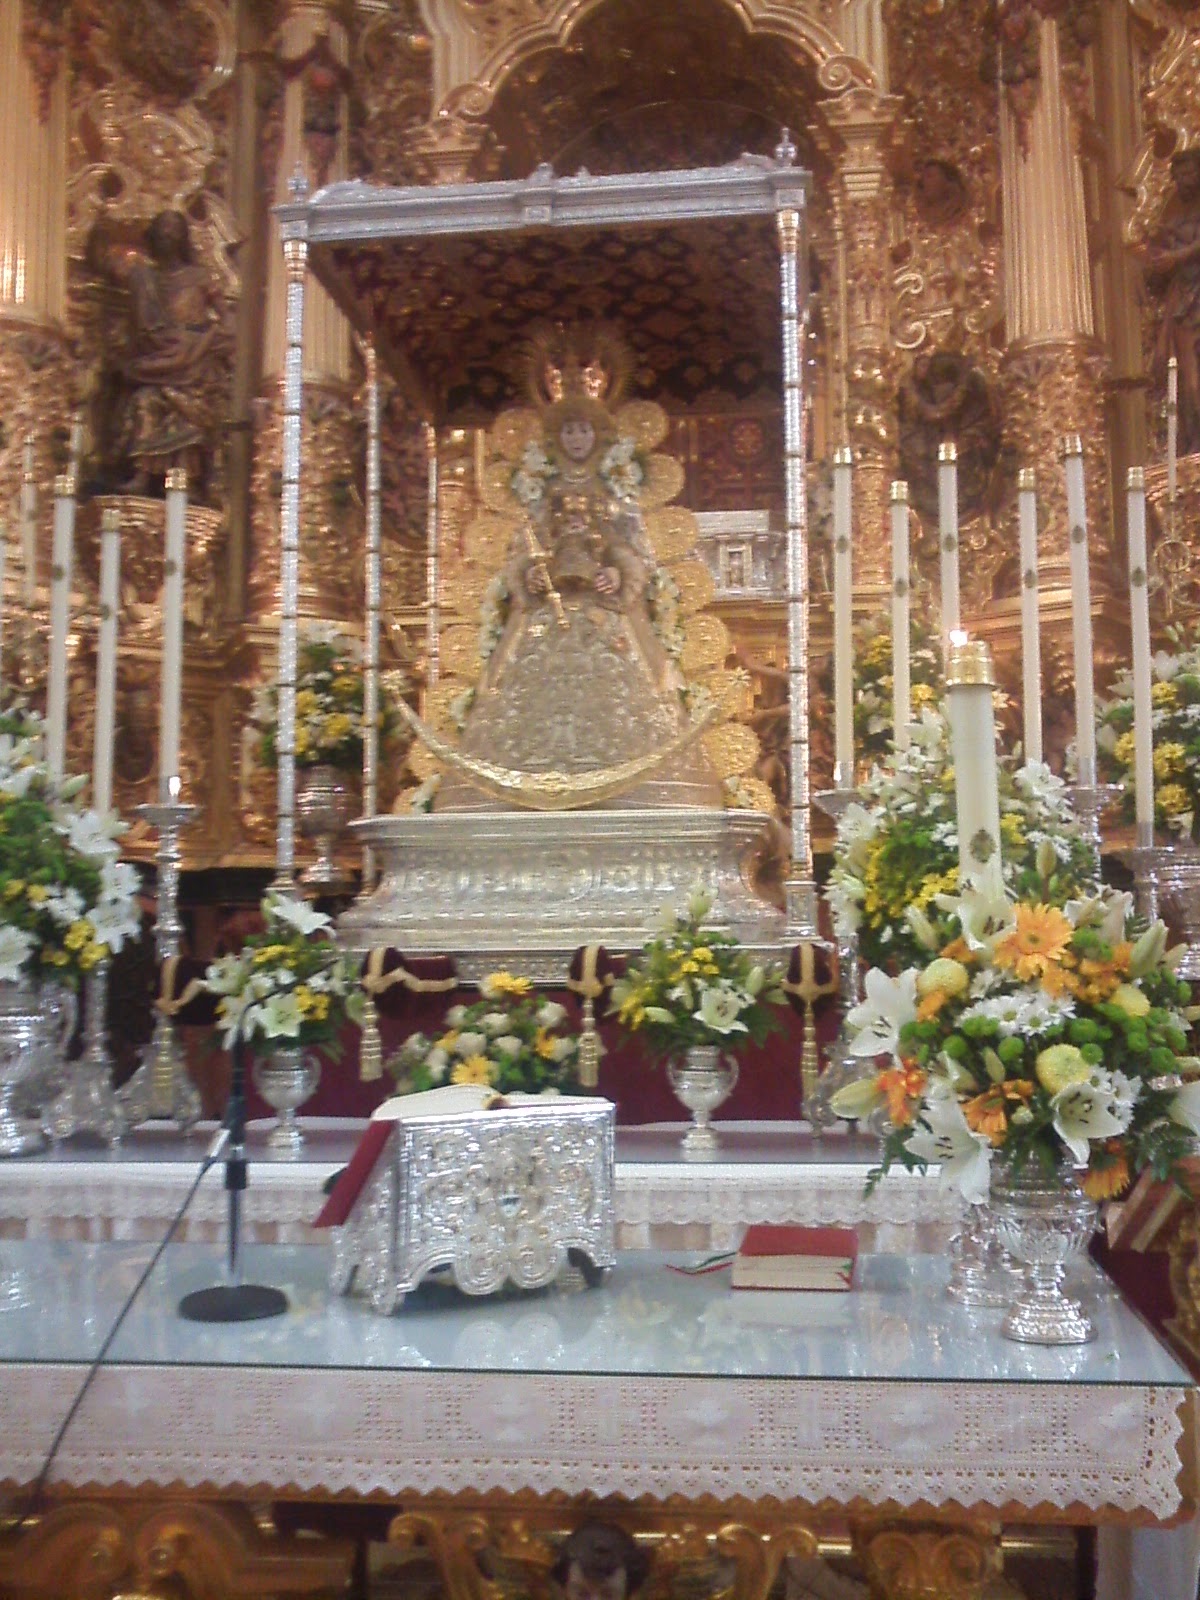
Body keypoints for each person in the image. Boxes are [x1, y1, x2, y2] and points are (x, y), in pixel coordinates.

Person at [445, 387, 721, 808]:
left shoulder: (616, 492)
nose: (577, 439)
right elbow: (523, 546)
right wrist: (530, 574)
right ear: (557, 437)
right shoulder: (541, 493)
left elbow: (636, 550)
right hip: (545, 613)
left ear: (598, 436)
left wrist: (618, 572)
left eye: (584, 431)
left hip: (607, 609)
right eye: (569, 431)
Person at [98, 209, 232, 497]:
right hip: (155, 362)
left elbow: (228, 322)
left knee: (188, 413)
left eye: (173, 229)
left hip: (193, 363)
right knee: (144, 401)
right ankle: (142, 474)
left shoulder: (200, 277)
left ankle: (186, 480)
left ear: (183, 238)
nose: (167, 234)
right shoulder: (144, 278)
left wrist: (203, 342)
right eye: (162, 228)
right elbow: (107, 261)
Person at [1146, 147, 1200, 459]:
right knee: (1190, 381)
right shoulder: (1175, 222)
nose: (1184, 181)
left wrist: (1176, 257)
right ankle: (1193, 443)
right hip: (1184, 303)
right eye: (1178, 176)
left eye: (1189, 173)